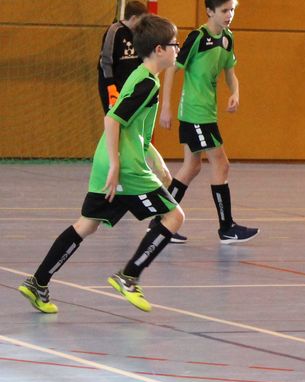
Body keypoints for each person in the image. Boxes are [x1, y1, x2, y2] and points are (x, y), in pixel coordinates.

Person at [19, 15, 185, 314]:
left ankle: (38, 282)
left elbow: (133, 130)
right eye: (175, 44)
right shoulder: (146, 84)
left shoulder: (141, 76)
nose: (178, 49)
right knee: (174, 216)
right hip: (126, 168)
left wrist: (156, 160)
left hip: (108, 160)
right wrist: (116, 165)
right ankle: (129, 276)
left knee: (87, 224)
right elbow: (112, 119)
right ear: (159, 49)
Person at [158, 0, 258, 243]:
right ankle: (227, 227)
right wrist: (166, 106)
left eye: (232, 10)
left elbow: (230, 73)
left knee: (191, 167)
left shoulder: (228, 38)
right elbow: (172, 68)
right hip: (195, 113)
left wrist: (235, 92)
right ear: (210, 11)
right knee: (221, 164)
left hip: (207, 113)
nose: (229, 15)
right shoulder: (198, 38)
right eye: (224, 10)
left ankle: (160, 223)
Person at [97, 0, 148, 113]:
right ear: (134, 18)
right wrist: (111, 86)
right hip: (114, 87)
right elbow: (105, 61)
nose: (143, 24)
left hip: (131, 87)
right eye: (142, 20)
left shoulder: (140, 33)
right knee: (114, 119)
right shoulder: (114, 31)